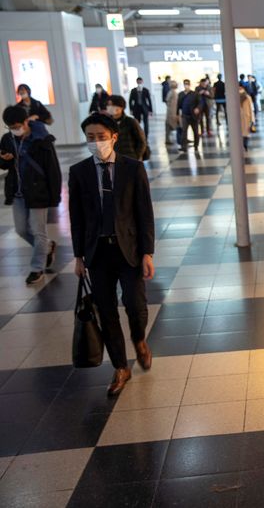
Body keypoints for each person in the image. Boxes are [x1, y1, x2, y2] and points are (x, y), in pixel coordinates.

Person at [69, 112, 155, 397]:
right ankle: (121, 367)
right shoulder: (79, 172)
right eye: (90, 138)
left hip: (128, 249)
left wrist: (147, 252)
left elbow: (144, 213)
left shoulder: (133, 168)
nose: (96, 142)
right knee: (106, 313)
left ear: (114, 137)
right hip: (97, 253)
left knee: (135, 304)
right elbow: (77, 217)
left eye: (101, 137)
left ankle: (140, 339)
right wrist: (79, 256)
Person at [0, 106, 61, 285]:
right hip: (18, 192)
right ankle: (48, 247)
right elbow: (2, 164)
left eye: (17, 125)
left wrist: (54, 195)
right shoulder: (7, 139)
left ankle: (37, 268)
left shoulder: (42, 140)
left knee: (37, 230)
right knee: (21, 230)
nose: (14, 129)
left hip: (38, 191)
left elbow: (53, 170)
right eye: (10, 126)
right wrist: (4, 160)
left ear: (27, 121)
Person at [106, 95, 147, 161]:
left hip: (131, 158)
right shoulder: (107, 123)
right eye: (108, 105)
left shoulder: (131, 121)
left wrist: (137, 156)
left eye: (112, 105)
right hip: (115, 159)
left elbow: (142, 141)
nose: (109, 107)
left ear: (121, 107)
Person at [177, 79, 201, 152]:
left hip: (193, 116)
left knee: (195, 131)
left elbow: (200, 103)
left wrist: (198, 108)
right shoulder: (181, 94)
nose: (186, 85)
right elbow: (178, 105)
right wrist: (177, 114)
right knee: (184, 131)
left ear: (189, 85)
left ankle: (196, 145)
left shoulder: (195, 94)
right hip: (185, 116)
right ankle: (183, 146)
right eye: (185, 84)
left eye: (187, 84)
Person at [239, 84, 254, 152]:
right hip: (246, 117)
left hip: (242, 117)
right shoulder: (247, 97)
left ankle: (244, 145)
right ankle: (245, 145)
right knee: (246, 133)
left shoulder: (246, 97)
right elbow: (251, 109)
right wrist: (252, 119)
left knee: (243, 132)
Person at [165, 81, 180, 145]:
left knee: (171, 126)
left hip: (173, 111)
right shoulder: (172, 92)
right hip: (171, 112)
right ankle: (168, 140)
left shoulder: (173, 92)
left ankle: (179, 139)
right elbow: (168, 101)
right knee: (170, 126)